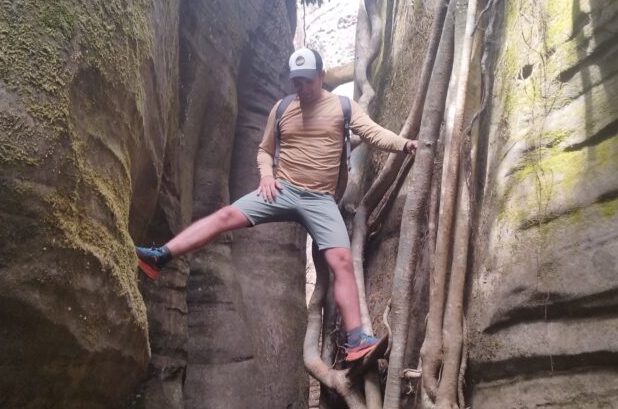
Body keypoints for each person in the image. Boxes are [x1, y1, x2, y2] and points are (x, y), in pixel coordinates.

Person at [136, 47, 417, 363]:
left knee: (341, 260)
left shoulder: (342, 107)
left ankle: (357, 340)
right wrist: (267, 176)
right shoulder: (282, 108)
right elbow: (265, 150)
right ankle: (160, 257)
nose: (301, 87)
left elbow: (374, 133)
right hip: (281, 190)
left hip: (320, 199)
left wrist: (405, 144)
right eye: (296, 81)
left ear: (321, 76)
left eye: (307, 80)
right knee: (225, 215)